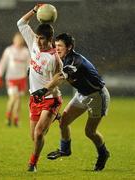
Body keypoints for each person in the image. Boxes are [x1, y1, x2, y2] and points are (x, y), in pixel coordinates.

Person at [32, 33, 110, 171]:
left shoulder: (75, 61)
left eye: (60, 46)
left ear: (69, 47)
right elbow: (56, 77)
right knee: (63, 122)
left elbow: (61, 77)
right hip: (81, 94)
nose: (57, 49)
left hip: (97, 96)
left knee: (90, 132)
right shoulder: (62, 59)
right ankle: (65, 150)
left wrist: (44, 90)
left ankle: (103, 154)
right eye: (55, 46)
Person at [17, 4, 63, 172]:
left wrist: (44, 90)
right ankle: (51, 119)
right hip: (34, 98)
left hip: (51, 99)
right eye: (38, 38)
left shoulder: (54, 58)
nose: (40, 42)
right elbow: (21, 23)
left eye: (43, 39)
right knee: (35, 136)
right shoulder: (34, 44)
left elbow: (59, 77)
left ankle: (33, 163)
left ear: (50, 39)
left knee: (38, 133)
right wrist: (35, 10)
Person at [0, 32, 30, 127]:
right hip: (11, 78)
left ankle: (16, 119)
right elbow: (3, 63)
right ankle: (8, 115)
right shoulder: (9, 50)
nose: (18, 41)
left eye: (20, 40)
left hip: (22, 79)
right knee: (14, 97)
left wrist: (30, 76)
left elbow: (29, 65)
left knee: (18, 99)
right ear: (14, 40)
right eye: (17, 39)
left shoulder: (26, 52)